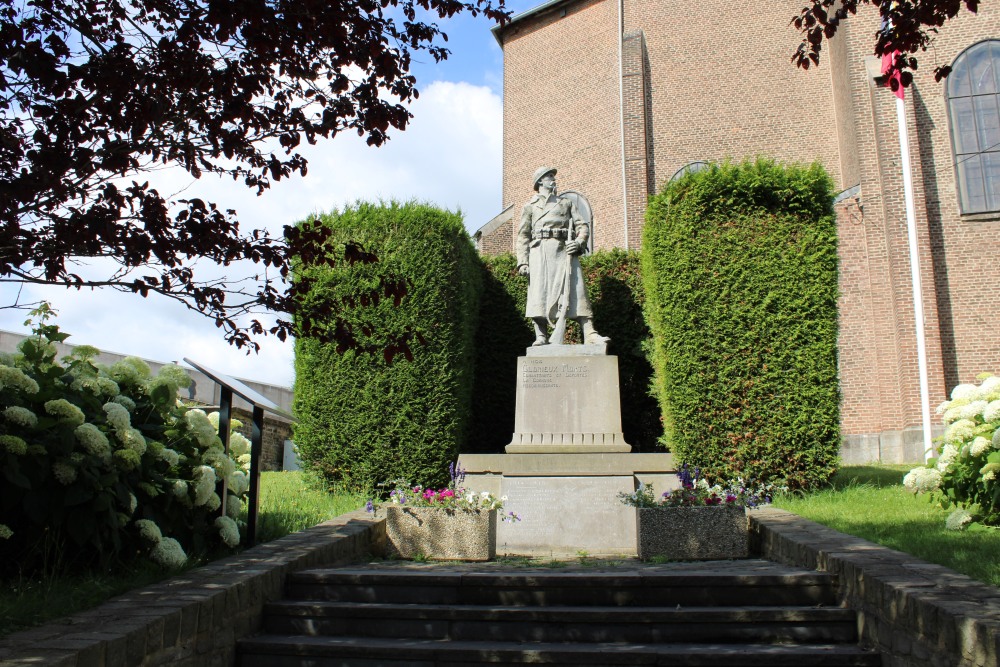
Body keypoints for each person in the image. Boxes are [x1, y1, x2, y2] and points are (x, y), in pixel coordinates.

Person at [516, 167, 609, 346]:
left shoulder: (566, 203)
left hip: (564, 251)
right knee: (538, 293)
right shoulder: (530, 207)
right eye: (549, 176)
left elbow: (582, 226)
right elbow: (523, 236)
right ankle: (541, 335)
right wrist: (522, 262)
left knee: (577, 290)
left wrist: (580, 242)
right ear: (540, 181)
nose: (553, 179)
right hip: (539, 252)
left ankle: (590, 333)